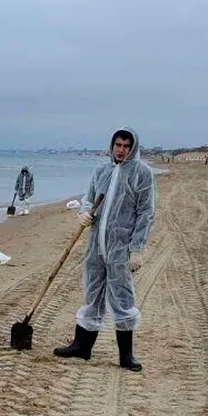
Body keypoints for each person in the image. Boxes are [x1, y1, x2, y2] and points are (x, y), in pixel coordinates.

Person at [54, 127, 155, 372]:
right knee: (93, 292)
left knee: (122, 296)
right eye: (118, 145)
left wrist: (136, 248)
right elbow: (89, 197)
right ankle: (82, 346)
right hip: (95, 244)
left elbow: (145, 213)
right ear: (112, 146)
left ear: (133, 148)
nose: (121, 150)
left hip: (120, 247)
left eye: (126, 146)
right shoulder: (102, 170)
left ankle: (126, 355)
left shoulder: (142, 174)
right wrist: (85, 213)